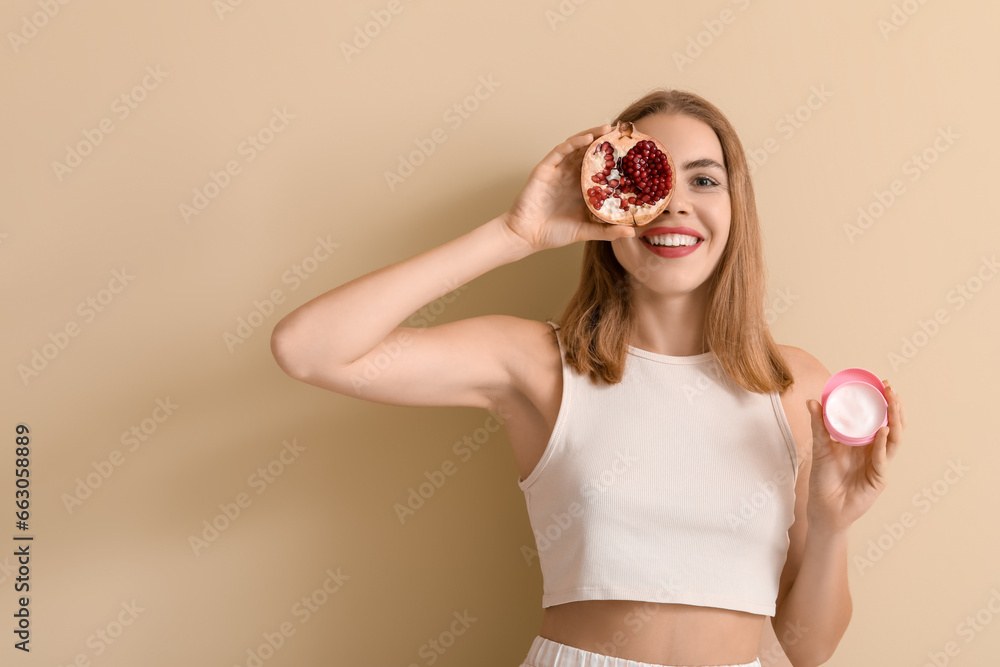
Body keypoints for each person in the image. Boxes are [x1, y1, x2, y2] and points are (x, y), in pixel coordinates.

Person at [269, 89, 906, 667]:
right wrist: (514, 235)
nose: (675, 202)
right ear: (607, 204)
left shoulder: (795, 384)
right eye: (646, 178)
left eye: (704, 179)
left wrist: (830, 526)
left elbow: (804, 649)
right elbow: (309, 350)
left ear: (737, 209)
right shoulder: (536, 362)